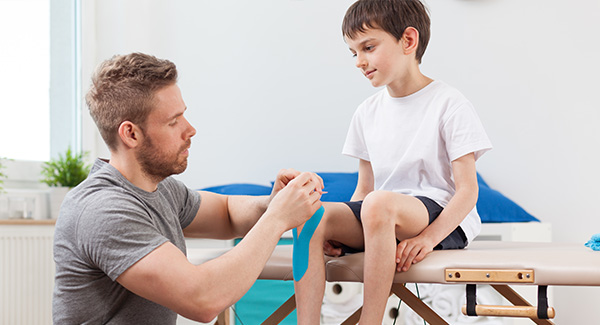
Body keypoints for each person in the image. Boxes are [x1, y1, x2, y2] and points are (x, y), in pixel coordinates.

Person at [52, 52, 324, 324]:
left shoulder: (161, 189)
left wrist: (273, 203)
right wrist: (277, 218)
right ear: (131, 134)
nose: (190, 129)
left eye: (184, 116)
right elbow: (203, 299)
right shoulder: (103, 211)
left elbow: (227, 213)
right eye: (174, 122)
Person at [293, 0, 493, 323]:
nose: (359, 61)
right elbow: (364, 189)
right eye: (353, 52)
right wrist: (342, 235)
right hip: (381, 215)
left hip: (441, 216)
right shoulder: (366, 113)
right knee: (310, 215)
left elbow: (468, 192)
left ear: (408, 41)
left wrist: (428, 239)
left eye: (368, 47)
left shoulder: (449, 104)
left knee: (377, 204)